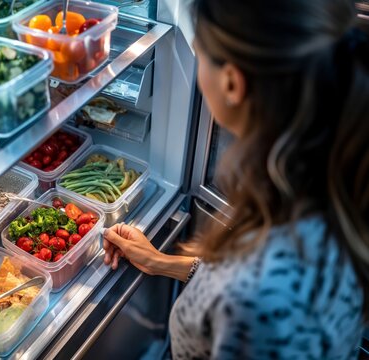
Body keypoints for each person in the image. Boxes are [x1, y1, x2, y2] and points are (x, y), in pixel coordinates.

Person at [102, 0, 369, 358]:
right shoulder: (333, 187)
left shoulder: (258, 300)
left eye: (203, 51)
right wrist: (160, 262)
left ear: (232, 82)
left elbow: (250, 299)